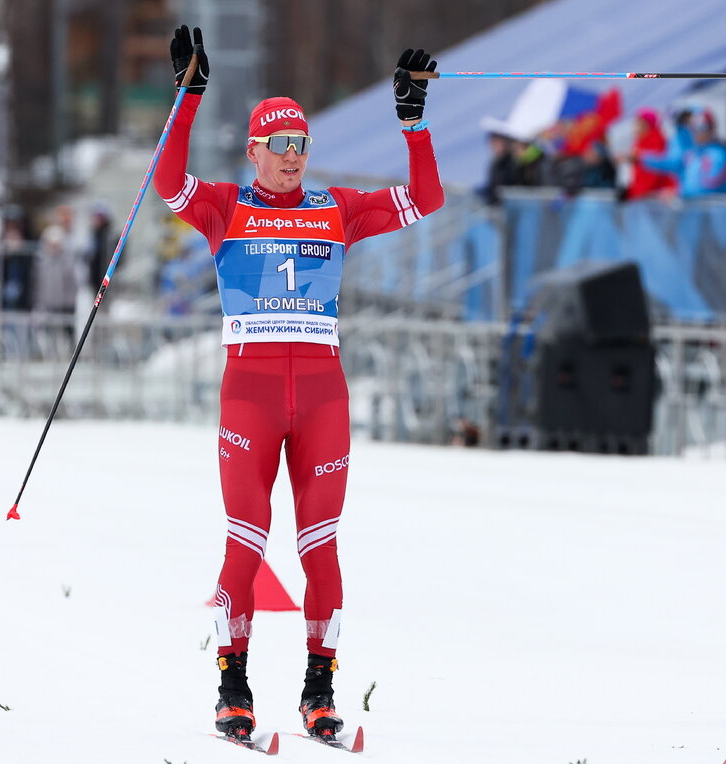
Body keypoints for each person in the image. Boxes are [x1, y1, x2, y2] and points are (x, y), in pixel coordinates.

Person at [152, 26, 443, 744]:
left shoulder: (335, 209)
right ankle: (233, 686)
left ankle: (320, 690)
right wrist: (186, 101)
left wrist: (414, 123)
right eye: (279, 145)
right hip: (249, 397)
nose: (292, 157)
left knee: (321, 544)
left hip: (322, 399)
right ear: (253, 150)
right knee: (245, 541)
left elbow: (426, 198)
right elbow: (165, 184)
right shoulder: (224, 207)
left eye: (301, 145)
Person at [636, 108, 726, 199]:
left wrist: (677, 193)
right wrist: (642, 157)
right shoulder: (694, 153)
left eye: (702, 128)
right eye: (693, 128)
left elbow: (707, 187)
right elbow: (672, 163)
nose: (696, 132)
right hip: (695, 210)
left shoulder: (717, 154)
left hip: (711, 212)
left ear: (711, 129)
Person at [617, 108, 678, 201]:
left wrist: (639, 192)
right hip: (644, 193)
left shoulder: (656, 141)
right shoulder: (640, 141)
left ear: (646, 125)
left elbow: (655, 170)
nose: (634, 127)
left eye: (638, 123)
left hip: (654, 194)